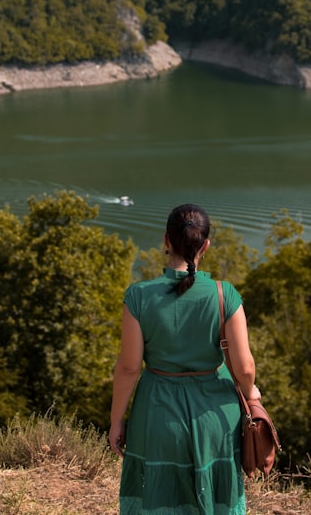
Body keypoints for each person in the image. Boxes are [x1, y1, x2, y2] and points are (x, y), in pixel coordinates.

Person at [108, 204, 261, 515]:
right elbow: (244, 368)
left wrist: (116, 421)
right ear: (205, 245)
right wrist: (252, 393)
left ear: (166, 240)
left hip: (157, 414)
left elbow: (129, 367)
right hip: (216, 417)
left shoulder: (138, 296)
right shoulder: (225, 294)